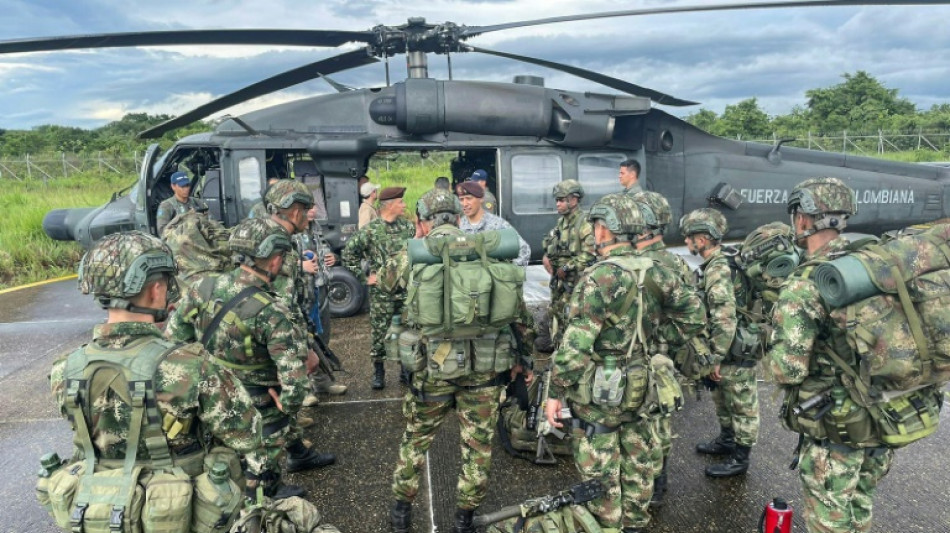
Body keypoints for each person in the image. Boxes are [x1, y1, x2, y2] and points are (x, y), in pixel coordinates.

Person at [48, 232, 268, 512]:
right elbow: (248, 436)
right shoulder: (191, 365)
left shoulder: (64, 369)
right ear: (155, 289)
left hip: (101, 511)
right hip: (177, 511)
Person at [545, 194, 705, 533]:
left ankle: (607, 525)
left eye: (595, 226)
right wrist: (658, 344)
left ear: (605, 230)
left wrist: (555, 393)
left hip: (601, 393)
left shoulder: (600, 277)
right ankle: (634, 524)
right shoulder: (660, 271)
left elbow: (576, 346)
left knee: (601, 468)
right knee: (639, 463)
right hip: (643, 385)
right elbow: (694, 317)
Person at [382, 188, 532, 533]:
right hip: (483, 373)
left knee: (415, 442)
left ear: (423, 221)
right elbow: (520, 315)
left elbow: (386, 284)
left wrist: (417, 244)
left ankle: (401, 517)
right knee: (477, 448)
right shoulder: (484, 251)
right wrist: (524, 359)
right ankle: (464, 522)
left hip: (431, 373)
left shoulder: (413, 255)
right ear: (457, 218)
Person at [166, 217, 335, 500]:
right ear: (274, 260)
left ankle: (279, 474)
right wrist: (288, 406)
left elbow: (174, 339)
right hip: (260, 401)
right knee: (261, 462)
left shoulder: (203, 287)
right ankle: (265, 497)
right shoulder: (273, 312)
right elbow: (294, 383)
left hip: (214, 395)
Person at [767, 177, 899, 533]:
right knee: (859, 504)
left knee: (829, 517)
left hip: (838, 426)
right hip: (884, 418)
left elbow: (786, 371)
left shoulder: (806, 283)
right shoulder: (873, 265)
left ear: (802, 219)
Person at [680, 208, 759, 478]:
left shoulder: (718, 270)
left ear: (702, 238)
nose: (687, 242)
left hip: (734, 348)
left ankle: (740, 458)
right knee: (723, 399)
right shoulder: (721, 260)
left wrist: (716, 357)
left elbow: (724, 317)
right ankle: (727, 440)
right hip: (729, 345)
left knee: (742, 405)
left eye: (689, 237)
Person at [261, 180, 346, 425]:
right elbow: (274, 283)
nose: (311, 213)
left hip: (312, 292)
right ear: (296, 211)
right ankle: (288, 429)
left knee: (320, 339)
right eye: (307, 208)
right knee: (288, 365)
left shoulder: (301, 232)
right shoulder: (274, 239)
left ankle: (293, 421)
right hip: (281, 315)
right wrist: (300, 266)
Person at [629, 190, 693, 507]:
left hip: (642, 358)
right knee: (661, 419)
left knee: (642, 423)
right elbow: (693, 316)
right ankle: (659, 479)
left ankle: (649, 485)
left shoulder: (637, 264)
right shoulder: (678, 263)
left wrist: (654, 337)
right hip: (666, 359)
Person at [342, 186, 415, 389]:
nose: (404, 205)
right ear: (390, 205)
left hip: (405, 291)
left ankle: (405, 370)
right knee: (380, 332)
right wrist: (364, 277)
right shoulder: (370, 230)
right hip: (381, 292)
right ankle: (379, 372)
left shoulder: (408, 228)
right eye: (400, 202)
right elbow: (349, 255)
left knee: (407, 330)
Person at [541, 179, 596, 346]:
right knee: (556, 314)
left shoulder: (584, 223)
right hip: (560, 282)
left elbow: (590, 253)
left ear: (573, 200)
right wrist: (547, 257)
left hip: (576, 283)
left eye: (561, 200)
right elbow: (552, 244)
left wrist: (567, 267)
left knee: (571, 317)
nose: (557, 204)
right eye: (557, 200)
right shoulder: (562, 223)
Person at [457, 181, 530, 266]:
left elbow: (524, 250)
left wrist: (507, 273)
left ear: (481, 199)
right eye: (461, 199)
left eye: (469, 198)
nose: (464, 204)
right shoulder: (457, 227)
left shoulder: (498, 224)